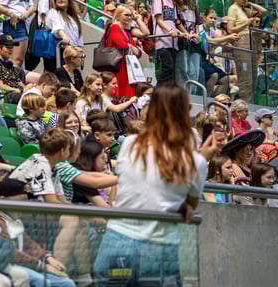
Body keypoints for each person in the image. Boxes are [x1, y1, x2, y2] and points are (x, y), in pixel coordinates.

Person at [93, 83, 218, 286]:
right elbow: (189, 206)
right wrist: (201, 158)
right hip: (160, 247)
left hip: (117, 241)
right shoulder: (195, 161)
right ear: (184, 113)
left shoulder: (130, 144)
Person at [227, 0, 266, 103]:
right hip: (242, 41)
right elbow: (230, 29)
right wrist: (247, 22)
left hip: (251, 41)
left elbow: (264, 11)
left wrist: (248, 3)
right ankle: (245, 104)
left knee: (253, 76)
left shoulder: (244, 9)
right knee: (245, 78)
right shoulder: (232, 9)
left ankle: (251, 104)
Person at [152, 0, 186, 84]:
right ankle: (159, 93)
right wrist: (170, 30)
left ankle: (166, 95)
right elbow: (159, 19)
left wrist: (182, 33)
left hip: (172, 41)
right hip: (162, 39)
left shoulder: (172, 2)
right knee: (167, 69)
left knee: (172, 73)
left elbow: (173, 21)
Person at [106, 5, 143, 98]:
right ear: (118, 16)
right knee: (122, 93)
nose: (129, 17)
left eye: (130, 15)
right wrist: (131, 46)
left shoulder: (126, 31)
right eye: (126, 15)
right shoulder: (114, 27)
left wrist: (138, 19)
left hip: (127, 66)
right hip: (119, 66)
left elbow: (138, 52)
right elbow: (123, 46)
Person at [43, 0, 83, 71]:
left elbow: (79, 36)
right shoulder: (53, 12)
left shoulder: (75, 17)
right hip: (59, 51)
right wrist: (64, 37)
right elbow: (57, 28)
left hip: (74, 53)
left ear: (69, 1)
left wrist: (80, 52)